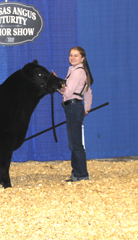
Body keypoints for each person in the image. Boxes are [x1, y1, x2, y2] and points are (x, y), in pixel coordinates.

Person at [55, 46, 93, 182]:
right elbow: (88, 92)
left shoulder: (77, 72)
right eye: (71, 55)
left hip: (73, 107)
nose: (72, 58)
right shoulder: (79, 71)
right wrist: (86, 108)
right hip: (75, 107)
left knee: (75, 143)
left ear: (83, 58)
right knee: (75, 142)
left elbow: (68, 92)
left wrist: (57, 84)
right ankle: (77, 173)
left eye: (76, 55)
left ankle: (81, 174)